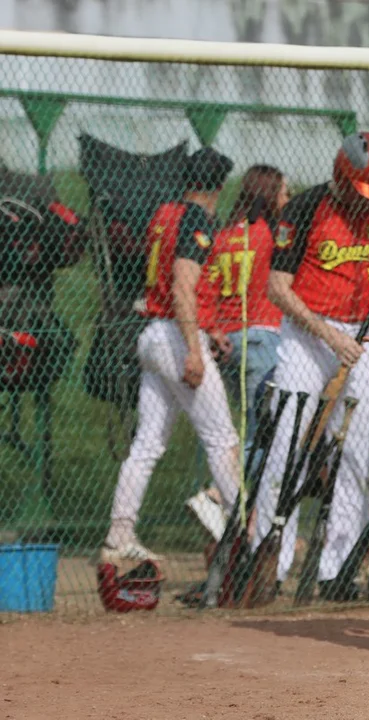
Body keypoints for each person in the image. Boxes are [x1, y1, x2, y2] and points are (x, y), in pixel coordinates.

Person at [251, 132, 369, 601]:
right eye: (359, 191)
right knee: (287, 445)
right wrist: (330, 336)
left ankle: (335, 569)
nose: (365, 203)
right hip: (309, 337)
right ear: (340, 178)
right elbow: (277, 288)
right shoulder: (307, 208)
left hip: (362, 340)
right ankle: (267, 563)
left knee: (356, 454)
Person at [102, 147, 241, 564]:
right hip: (175, 337)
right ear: (216, 187)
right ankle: (244, 536)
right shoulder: (199, 218)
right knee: (222, 439)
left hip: (154, 334)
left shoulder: (165, 212)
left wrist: (208, 329)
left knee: (146, 446)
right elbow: (182, 285)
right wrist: (195, 350)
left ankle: (118, 537)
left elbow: (169, 282)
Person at [186, 165, 289, 540]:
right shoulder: (269, 235)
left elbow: (204, 291)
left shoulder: (224, 235)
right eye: (283, 193)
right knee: (262, 433)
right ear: (268, 195)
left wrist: (213, 329)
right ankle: (219, 495)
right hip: (262, 337)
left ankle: (241, 505)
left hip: (228, 342)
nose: (287, 200)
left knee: (249, 427)